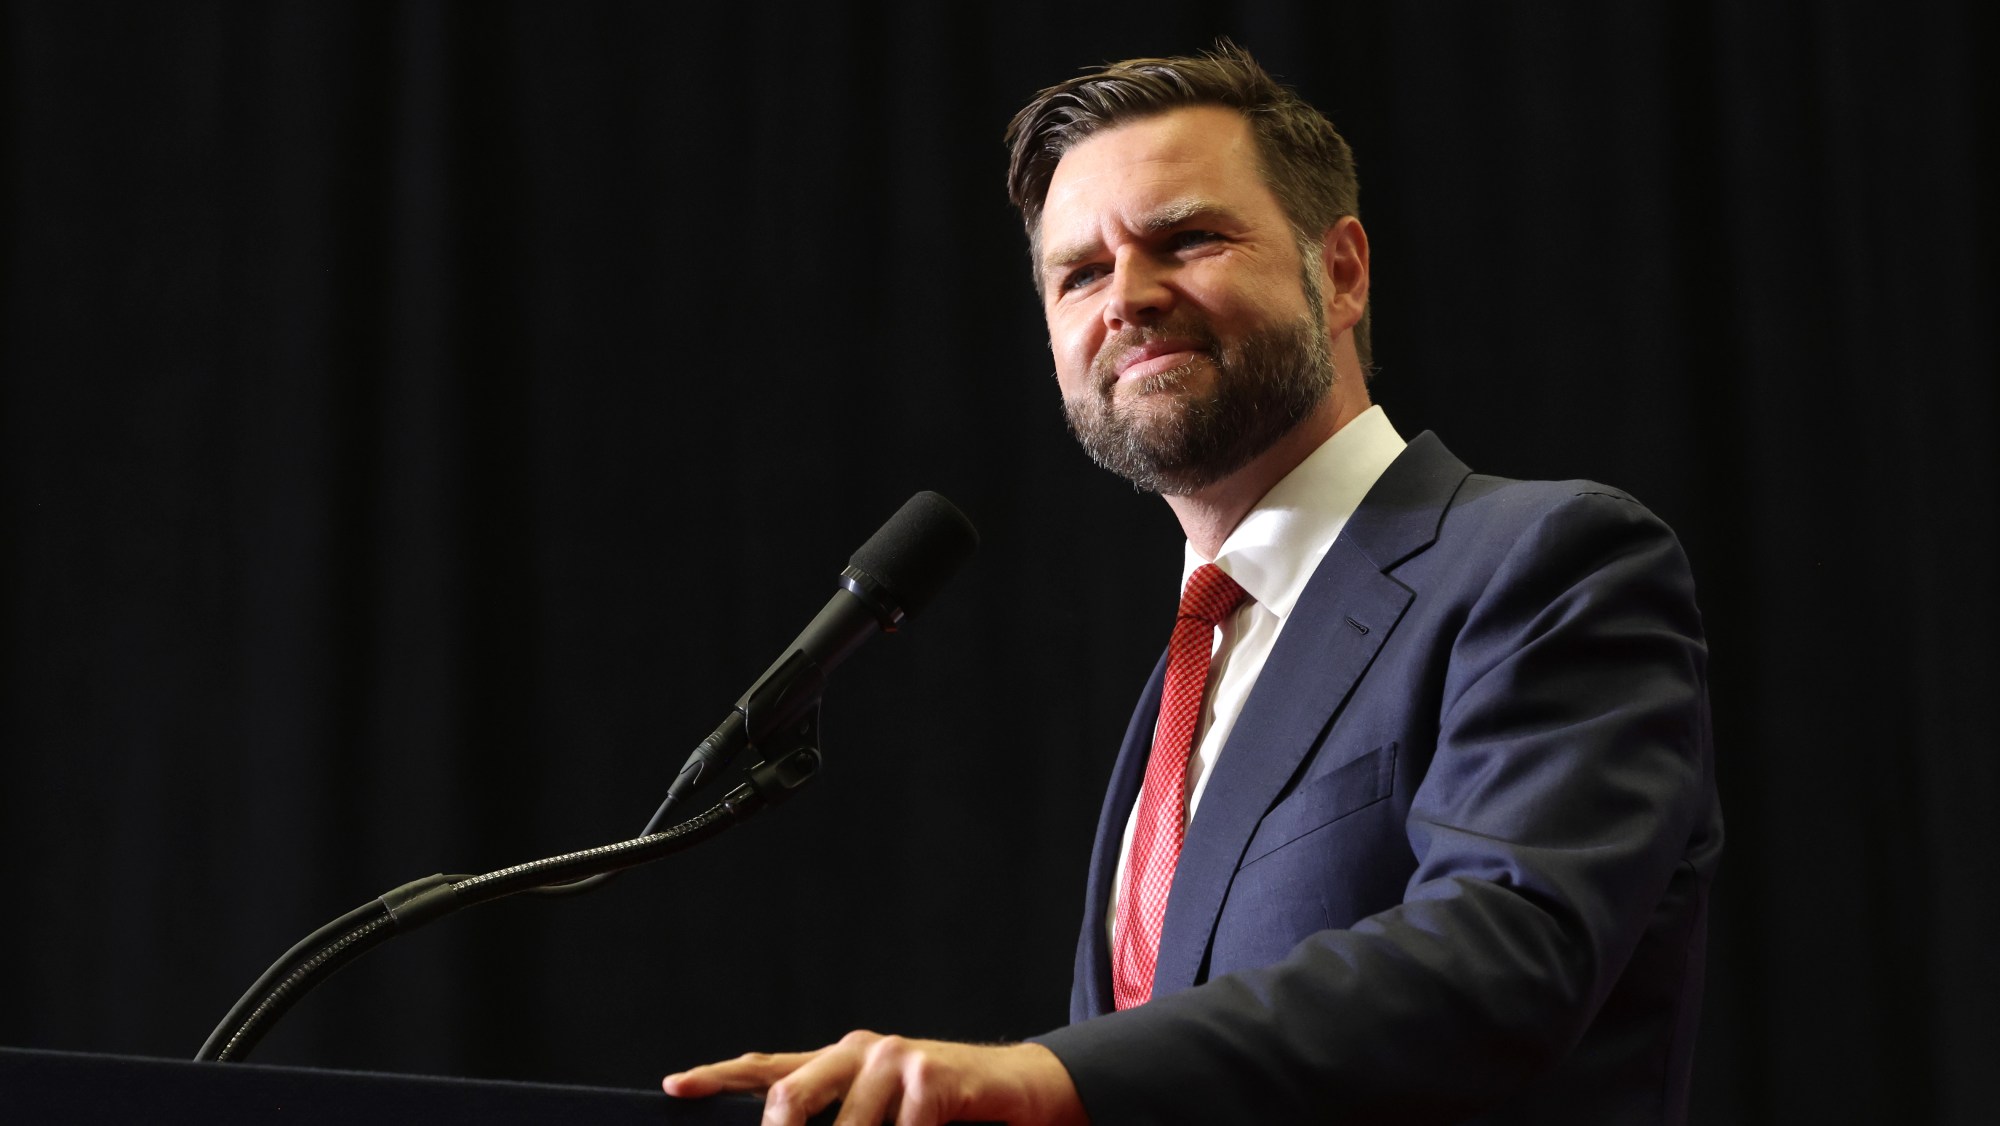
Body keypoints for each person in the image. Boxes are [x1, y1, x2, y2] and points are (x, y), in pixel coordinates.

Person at [664, 42, 1721, 1126]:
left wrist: (1041, 1074)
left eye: (1186, 238)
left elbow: (1503, 951)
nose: (1125, 296)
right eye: (1078, 273)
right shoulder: (1191, 666)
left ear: (1340, 271)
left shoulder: (1544, 562)